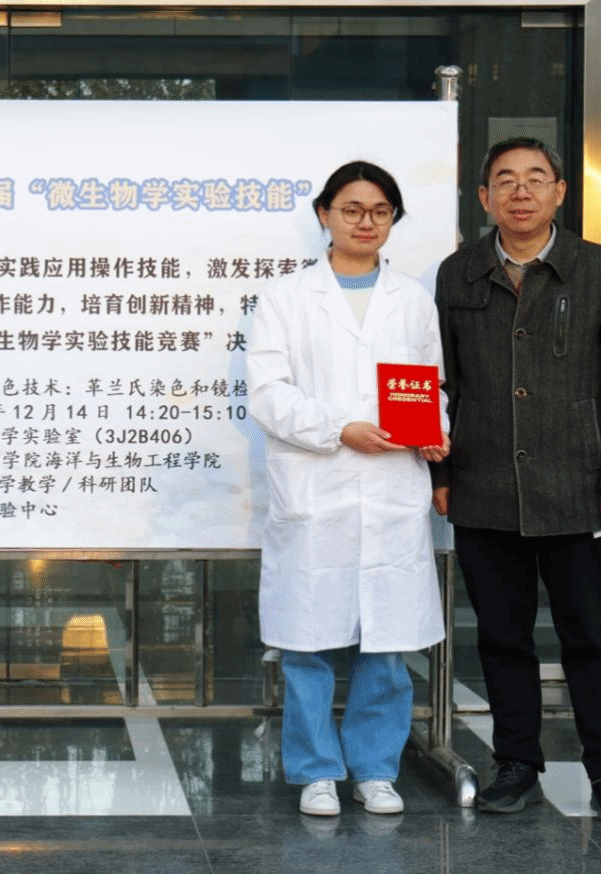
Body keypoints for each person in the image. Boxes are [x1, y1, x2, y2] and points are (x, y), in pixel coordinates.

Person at [429, 137, 601, 825]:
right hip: (484, 486)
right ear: (484, 197)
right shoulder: (458, 274)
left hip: (578, 488)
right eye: (505, 180)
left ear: (560, 191)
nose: (520, 191)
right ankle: (516, 765)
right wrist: (442, 471)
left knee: (590, 639)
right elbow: (443, 382)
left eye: (535, 178)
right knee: (502, 639)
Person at [248, 160, 450, 817]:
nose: (367, 222)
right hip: (317, 483)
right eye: (353, 210)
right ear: (324, 215)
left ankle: (375, 769)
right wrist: (339, 429)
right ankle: (315, 771)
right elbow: (268, 394)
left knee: (385, 643)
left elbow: (428, 385)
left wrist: (436, 430)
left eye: (380, 211)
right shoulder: (285, 297)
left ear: (393, 220)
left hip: (391, 485)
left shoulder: (412, 299)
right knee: (307, 643)